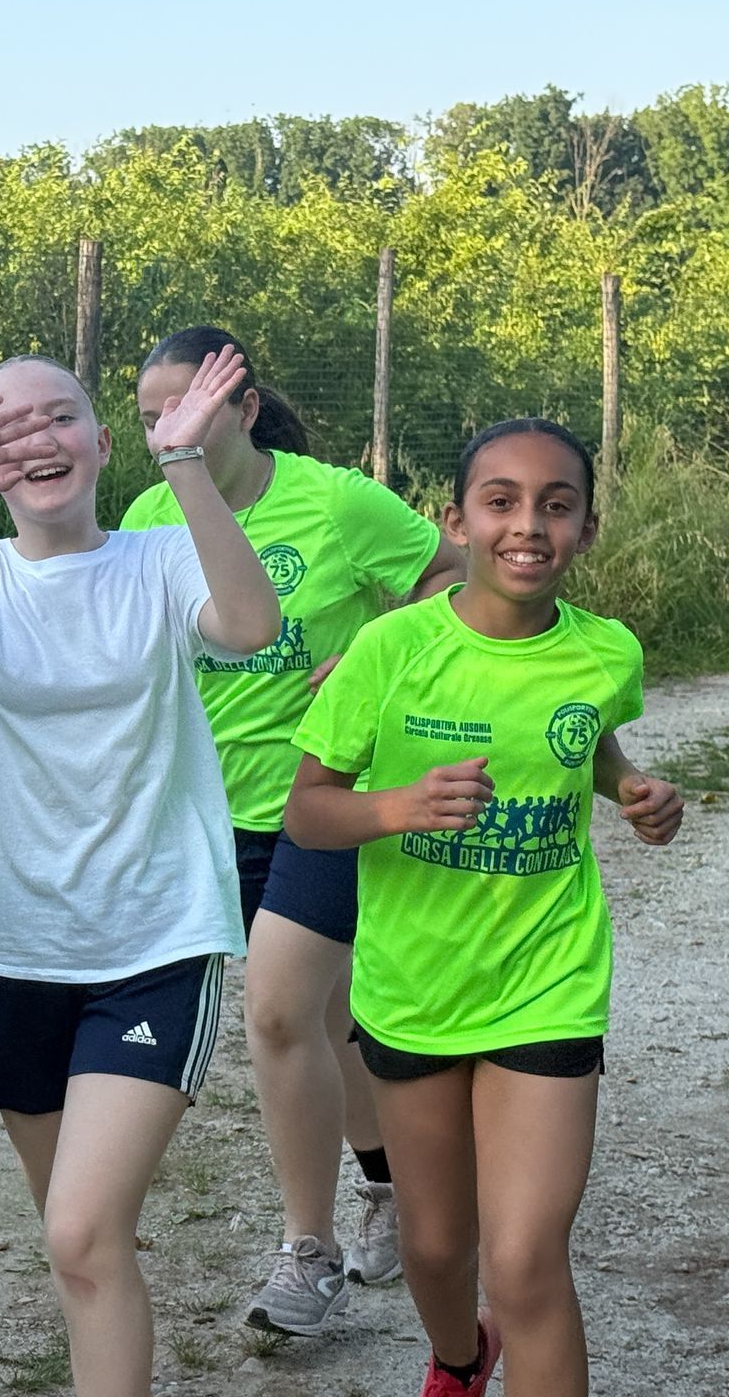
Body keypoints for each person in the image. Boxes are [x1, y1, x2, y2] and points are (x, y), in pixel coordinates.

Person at [0, 349, 279, 1396]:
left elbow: (249, 625)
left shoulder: (160, 560)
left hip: (158, 940)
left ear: (104, 443)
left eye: (61, 418)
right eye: (8, 424)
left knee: (80, 1231)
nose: (38, 439)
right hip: (15, 946)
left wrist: (186, 465)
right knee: (78, 1241)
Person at [284, 418, 683, 1396]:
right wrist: (398, 806)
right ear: (456, 521)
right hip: (415, 987)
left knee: (526, 1261)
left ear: (587, 529)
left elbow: (582, 741)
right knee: (434, 1249)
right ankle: (461, 1359)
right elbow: (308, 812)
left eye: (558, 505)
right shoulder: (389, 649)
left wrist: (631, 789)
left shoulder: (606, 652)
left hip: (549, 980)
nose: (529, 526)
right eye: (501, 502)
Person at [121, 325, 462, 1333]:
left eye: (186, 408)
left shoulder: (336, 501)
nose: (168, 429)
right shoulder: (148, 515)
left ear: (244, 407)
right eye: (150, 418)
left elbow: (450, 576)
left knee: (276, 1013)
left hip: (324, 804)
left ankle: (305, 1257)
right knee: (329, 1021)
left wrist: (376, 654)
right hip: (203, 812)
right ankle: (390, 1186)